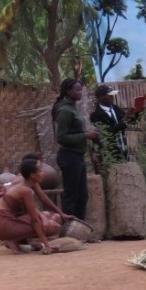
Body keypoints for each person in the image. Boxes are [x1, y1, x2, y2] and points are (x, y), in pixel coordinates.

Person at [53, 79, 100, 220]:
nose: (80, 92)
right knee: (71, 195)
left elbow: (74, 131)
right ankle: (69, 230)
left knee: (82, 195)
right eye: (77, 90)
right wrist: (86, 135)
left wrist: (90, 134)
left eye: (81, 89)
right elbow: (61, 138)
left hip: (77, 156)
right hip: (69, 156)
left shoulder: (73, 107)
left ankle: (80, 229)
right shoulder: (65, 110)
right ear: (68, 91)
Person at [0, 159, 61, 254]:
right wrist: (47, 245)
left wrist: (52, 216)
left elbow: (29, 213)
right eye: (40, 171)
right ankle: (12, 240)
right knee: (53, 226)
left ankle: (20, 242)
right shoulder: (25, 191)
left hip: (3, 224)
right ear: (32, 175)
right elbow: (34, 220)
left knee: (53, 218)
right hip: (3, 226)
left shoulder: (25, 187)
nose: (43, 174)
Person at [90, 84, 133, 163]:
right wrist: (126, 117)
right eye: (109, 95)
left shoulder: (115, 108)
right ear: (101, 97)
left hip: (123, 148)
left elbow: (130, 121)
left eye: (113, 95)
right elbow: (107, 133)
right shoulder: (96, 115)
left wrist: (138, 111)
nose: (112, 97)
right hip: (109, 153)